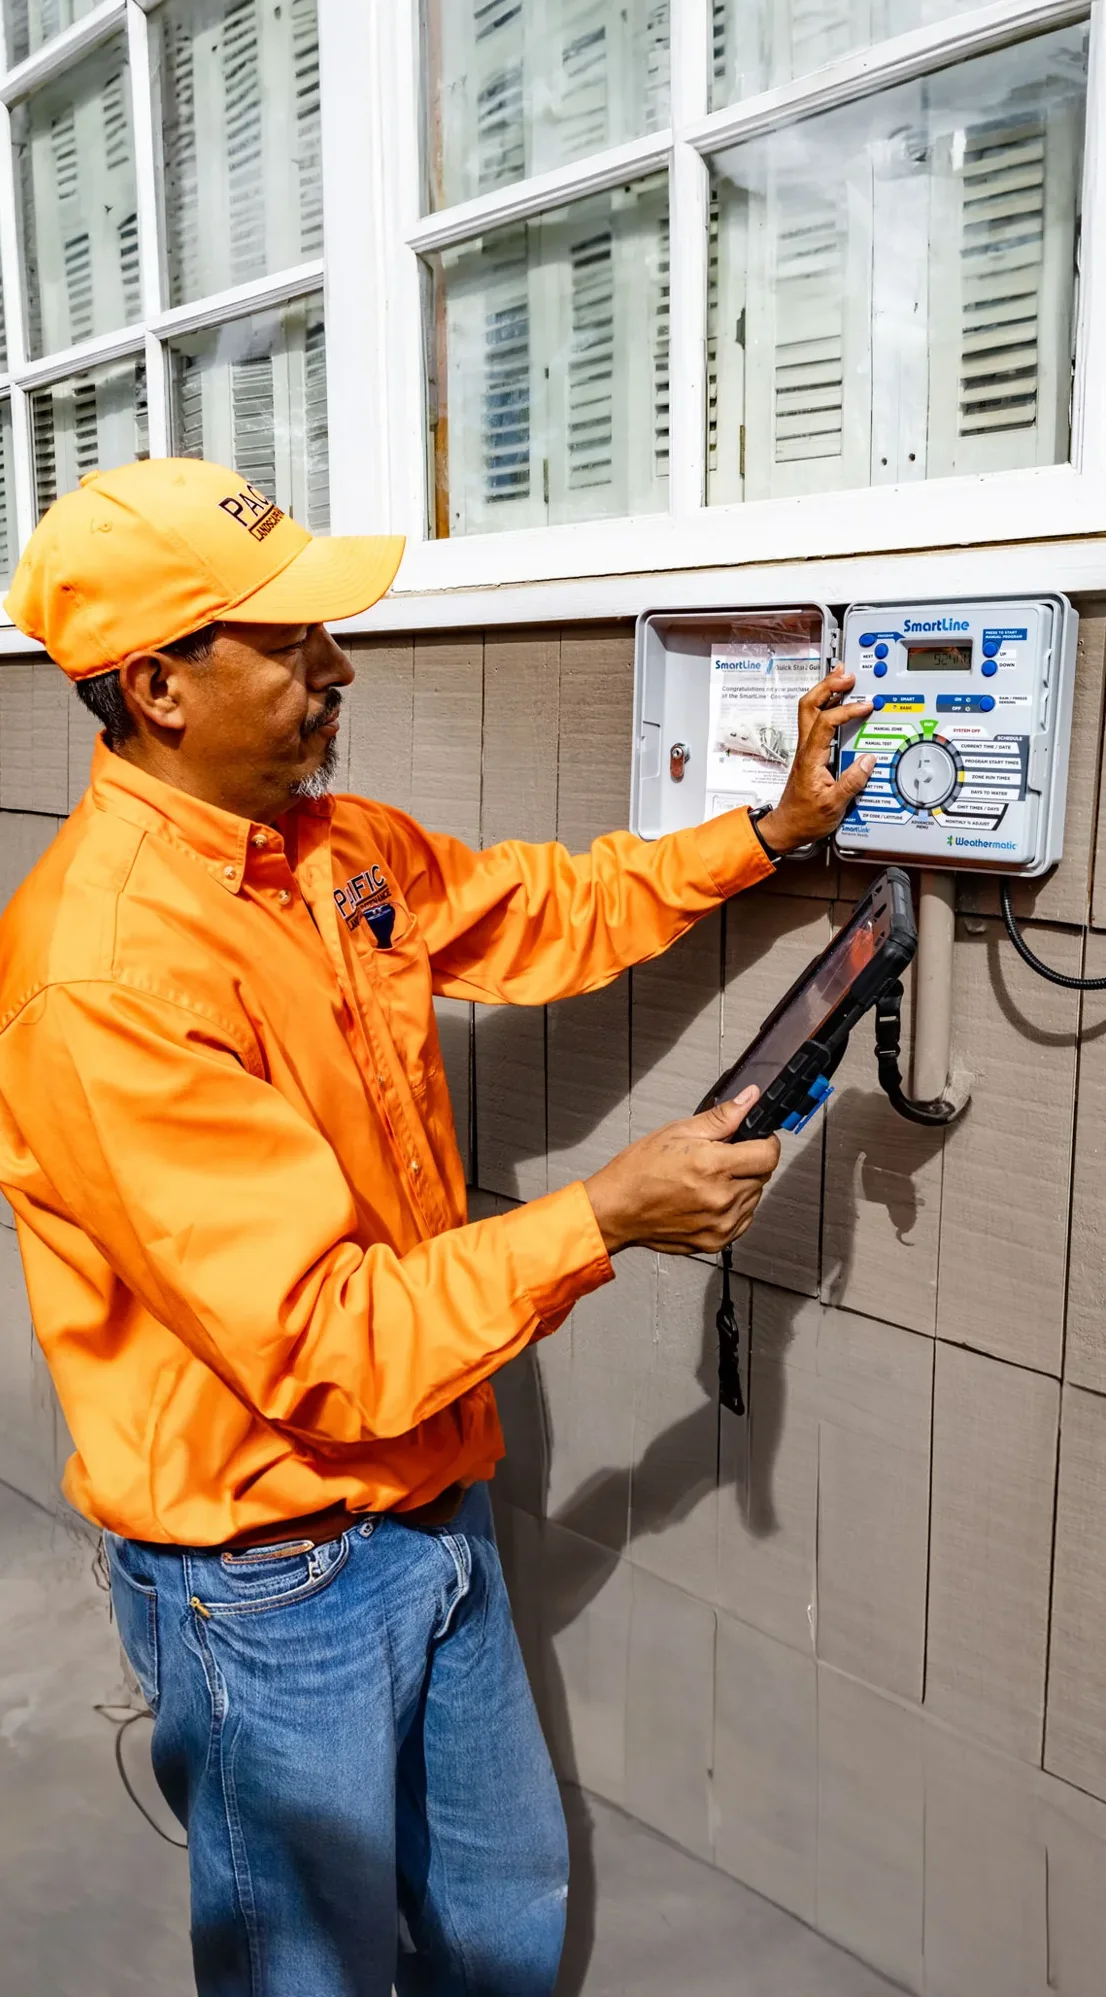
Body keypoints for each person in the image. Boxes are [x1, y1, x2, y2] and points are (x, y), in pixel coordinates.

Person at [0, 457, 873, 1997]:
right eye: (288, 644)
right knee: (310, 1964)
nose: (338, 668)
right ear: (156, 688)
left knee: (494, 1906)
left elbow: (537, 907)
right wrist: (604, 1214)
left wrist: (768, 831)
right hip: (269, 1577)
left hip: (432, 1486)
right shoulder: (108, 976)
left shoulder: (330, 851)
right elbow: (325, 1345)